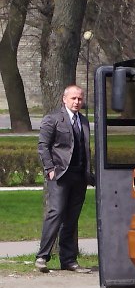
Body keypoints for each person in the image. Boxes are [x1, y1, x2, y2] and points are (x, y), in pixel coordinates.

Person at [34, 84, 95, 273]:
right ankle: (42, 256)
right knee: (56, 213)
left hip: (79, 176)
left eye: (80, 99)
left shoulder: (83, 121)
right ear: (64, 99)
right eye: (73, 98)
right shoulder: (53, 119)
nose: (77, 102)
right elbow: (43, 145)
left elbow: (85, 148)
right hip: (60, 174)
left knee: (71, 218)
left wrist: (89, 173)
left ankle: (68, 260)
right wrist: (50, 168)